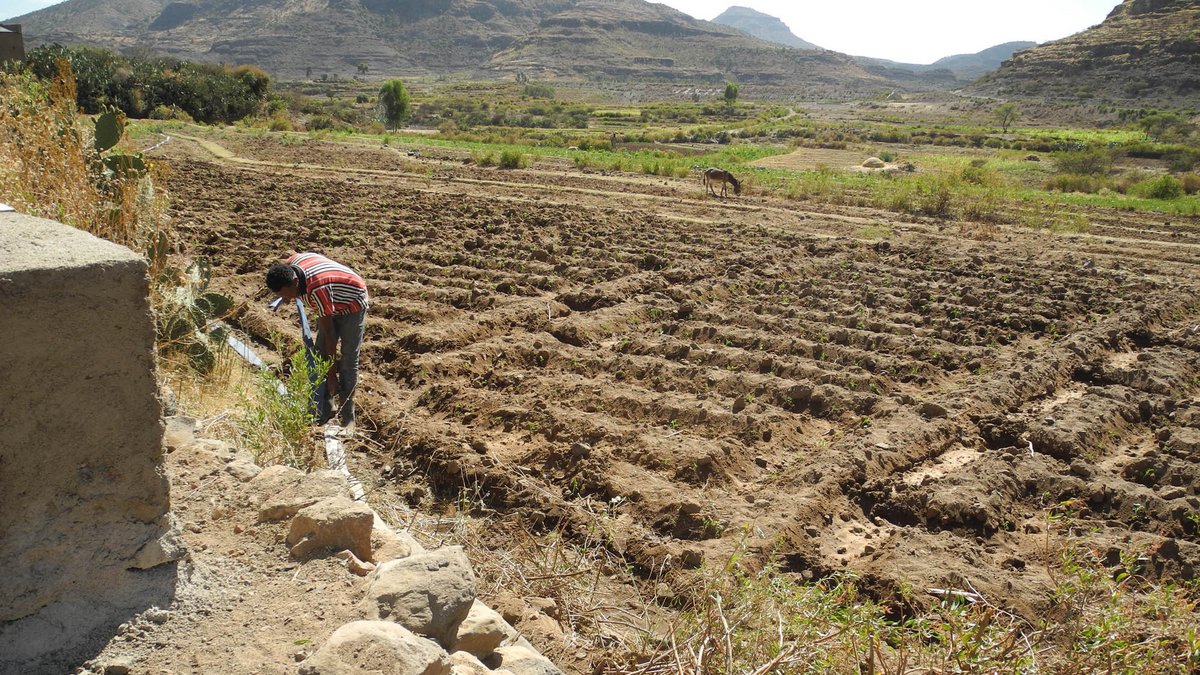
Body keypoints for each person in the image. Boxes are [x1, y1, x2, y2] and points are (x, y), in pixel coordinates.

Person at [266, 252, 369, 427]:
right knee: (320, 355)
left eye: (286, 294)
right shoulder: (292, 266)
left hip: (352, 302)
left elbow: (329, 334)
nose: (286, 299)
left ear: (295, 283)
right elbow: (290, 255)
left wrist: (331, 376)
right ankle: (324, 409)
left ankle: (348, 418)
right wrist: (283, 296)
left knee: (348, 359)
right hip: (331, 297)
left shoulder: (317, 290)